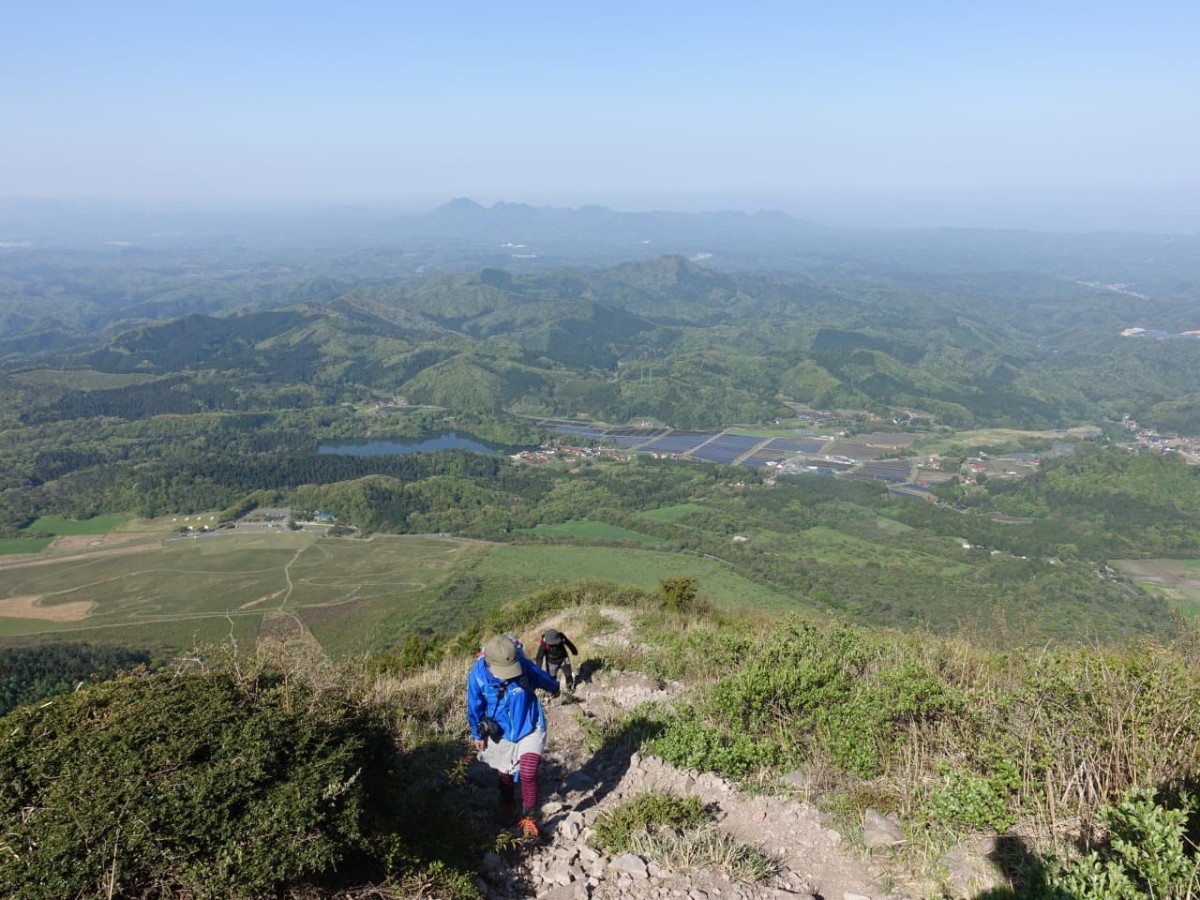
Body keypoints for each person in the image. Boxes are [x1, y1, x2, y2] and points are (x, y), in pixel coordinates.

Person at [467, 634, 560, 840]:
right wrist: (477, 733)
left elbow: (541, 677)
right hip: (500, 732)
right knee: (505, 775)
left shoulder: (522, 665)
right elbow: (474, 706)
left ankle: (529, 818)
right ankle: (508, 806)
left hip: (530, 725)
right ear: (488, 663)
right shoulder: (478, 676)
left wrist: (554, 688)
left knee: (527, 772)